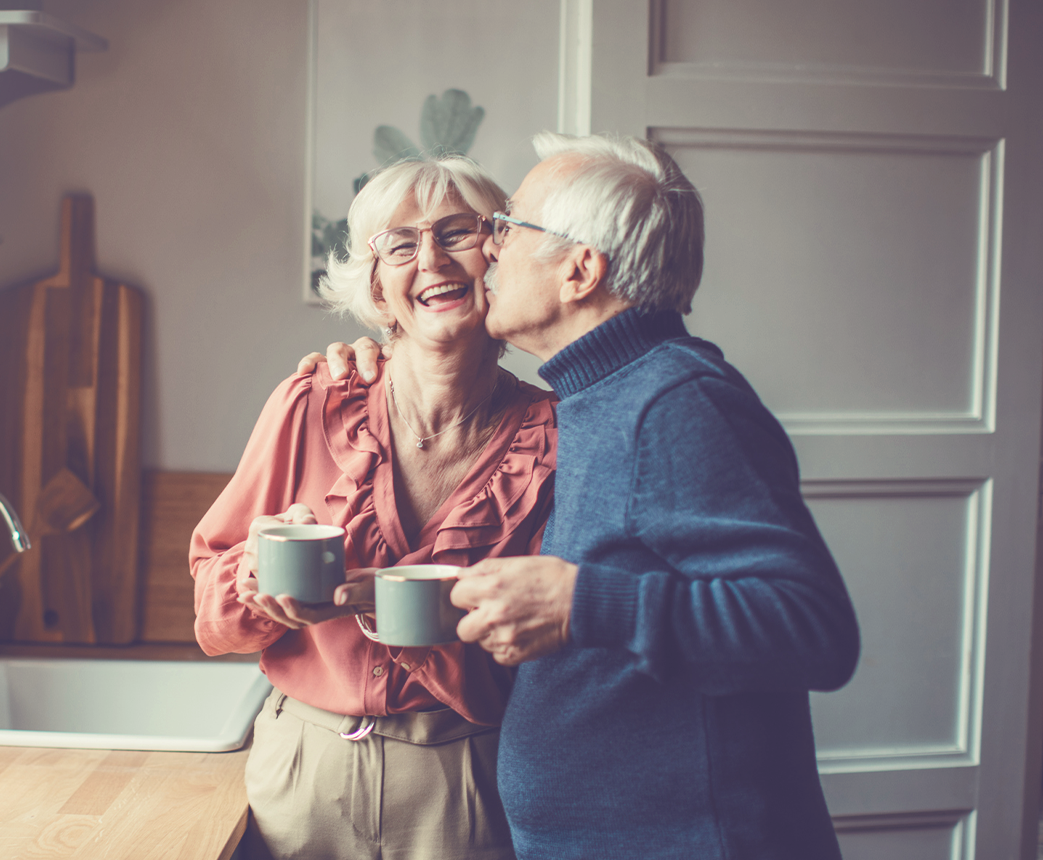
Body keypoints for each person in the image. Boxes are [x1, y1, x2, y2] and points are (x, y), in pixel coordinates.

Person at [307, 133, 861, 859]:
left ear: (579, 270)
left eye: (508, 228)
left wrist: (581, 605)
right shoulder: (598, 394)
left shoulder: (676, 402)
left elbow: (815, 633)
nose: (490, 250)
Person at [191, 154, 559, 860]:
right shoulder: (311, 400)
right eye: (399, 244)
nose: (430, 258)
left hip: (465, 775)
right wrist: (252, 575)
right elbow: (212, 618)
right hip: (303, 766)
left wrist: (380, 601)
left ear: (499, 255)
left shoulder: (557, 437)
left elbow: (547, 659)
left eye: (456, 232)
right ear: (378, 287)